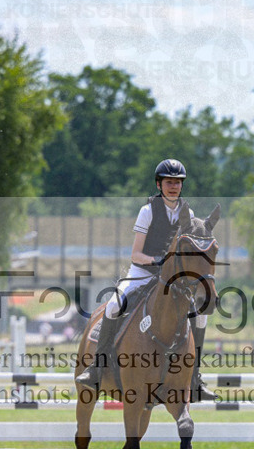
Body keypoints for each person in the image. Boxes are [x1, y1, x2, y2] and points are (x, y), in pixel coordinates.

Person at [75, 158, 217, 402]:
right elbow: (136, 254)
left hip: (174, 280)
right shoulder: (148, 211)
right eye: (169, 182)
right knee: (113, 306)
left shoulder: (189, 214)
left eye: (178, 182)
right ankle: (96, 368)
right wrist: (159, 261)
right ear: (159, 184)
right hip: (142, 272)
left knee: (201, 315)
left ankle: (195, 377)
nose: (174, 187)